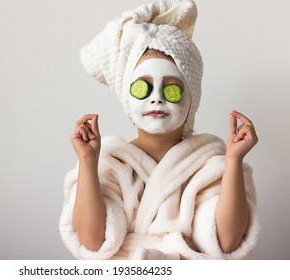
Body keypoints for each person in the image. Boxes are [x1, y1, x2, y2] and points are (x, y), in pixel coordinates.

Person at [59, 0, 260, 260]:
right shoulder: (109, 161)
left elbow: (227, 241)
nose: (156, 99)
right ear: (127, 102)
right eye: (143, 87)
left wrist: (233, 160)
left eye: (171, 89)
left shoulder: (211, 162)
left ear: (192, 100)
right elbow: (93, 241)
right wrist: (87, 161)